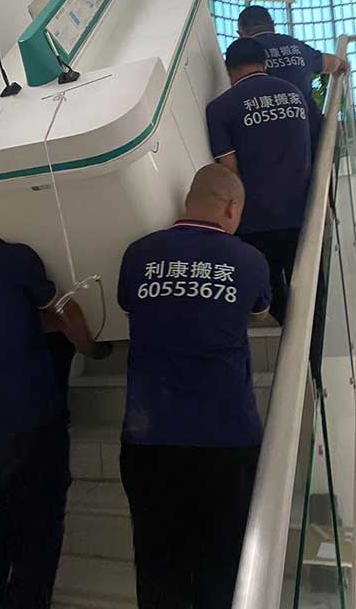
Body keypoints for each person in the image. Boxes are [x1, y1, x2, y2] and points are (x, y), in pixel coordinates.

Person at [0, 203, 112, 609]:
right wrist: (93, 348)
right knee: (40, 523)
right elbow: (64, 308)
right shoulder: (15, 258)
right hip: (26, 413)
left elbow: (9, 319)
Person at [117, 164, 272, 609]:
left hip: (148, 440)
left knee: (157, 567)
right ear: (232, 207)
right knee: (220, 570)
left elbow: (129, 307)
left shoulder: (138, 254)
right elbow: (259, 312)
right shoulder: (250, 260)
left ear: (189, 201)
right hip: (225, 441)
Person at [206, 37, 311, 322]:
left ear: (228, 69)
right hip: (302, 210)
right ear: (265, 63)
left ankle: (292, 333)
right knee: (312, 285)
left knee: (269, 289)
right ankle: (314, 344)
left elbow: (229, 169)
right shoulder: (293, 94)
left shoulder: (220, 108)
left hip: (255, 219)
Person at [237, 5, 347, 152]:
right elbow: (329, 62)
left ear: (241, 33)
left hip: (268, 136)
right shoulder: (295, 46)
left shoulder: (243, 55)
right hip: (309, 131)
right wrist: (342, 64)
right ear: (273, 24)